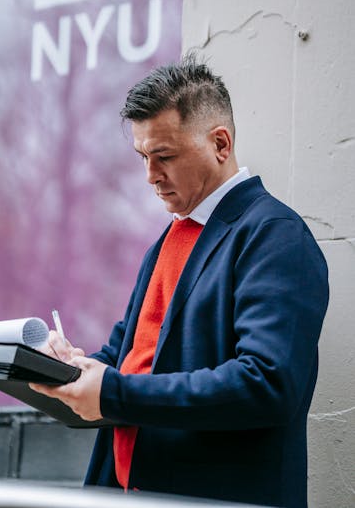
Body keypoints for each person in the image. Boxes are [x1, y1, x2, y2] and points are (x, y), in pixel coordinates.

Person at [30, 53, 329, 508]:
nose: (150, 176)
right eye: (143, 157)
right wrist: (70, 369)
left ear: (221, 144)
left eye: (164, 156)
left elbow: (268, 384)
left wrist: (113, 392)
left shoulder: (277, 236)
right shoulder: (169, 241)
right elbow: (126, 357)